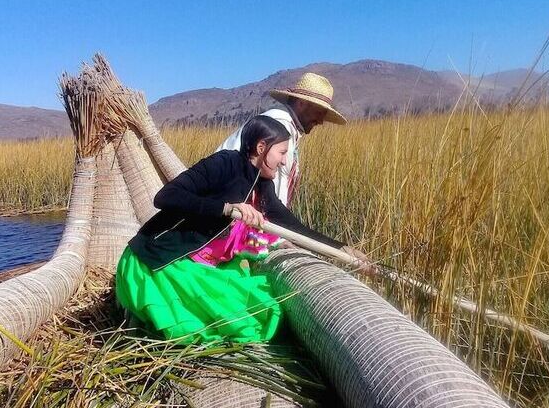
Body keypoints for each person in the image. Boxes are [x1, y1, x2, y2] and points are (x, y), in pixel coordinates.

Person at [116, 115, 369, 344]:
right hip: (157, 261)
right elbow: (165, 197)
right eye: (281, 153)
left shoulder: (261, 181)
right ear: (261, 148)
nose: (284, 161)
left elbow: (290, 224)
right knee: (249, 319)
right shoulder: (223, 163)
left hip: (193, 261)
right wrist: (226, 208)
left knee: (264, 307)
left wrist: (341, 249)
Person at [217, 72, 346, 206]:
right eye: (319, 112)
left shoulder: (284, 125)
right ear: (301, 103)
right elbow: (274, 195)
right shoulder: (279, 127)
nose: (320, 121)